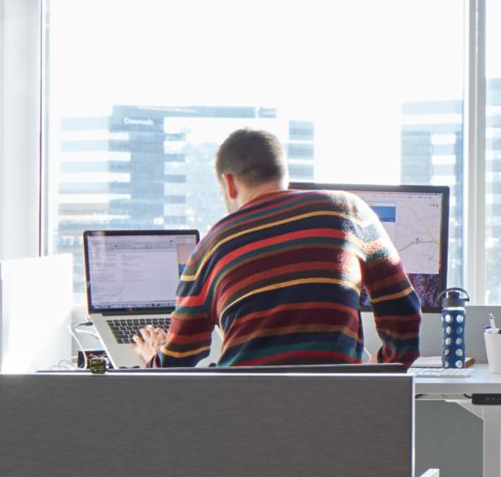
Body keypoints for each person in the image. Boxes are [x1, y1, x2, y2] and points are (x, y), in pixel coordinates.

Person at [140, 127, 420, 371]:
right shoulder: (350, 210)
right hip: (339, 411)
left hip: (243, 416)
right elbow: (404, 311)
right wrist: (383, 368)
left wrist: (153, 358)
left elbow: (177, 361)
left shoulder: (210, 247)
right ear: (284, 175)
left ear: (228, 182)